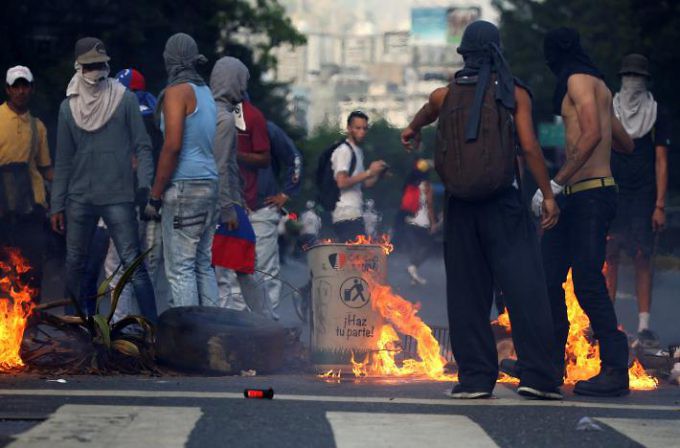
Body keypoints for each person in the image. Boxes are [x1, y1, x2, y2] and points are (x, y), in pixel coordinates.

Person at [401, 21, 562, 400]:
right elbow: (530, 148)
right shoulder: (513, 93)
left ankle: (474, 378)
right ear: (497, 52)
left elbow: (426, 112)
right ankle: (538, 377)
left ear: (464, 54)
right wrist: (547, 195)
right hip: (502, 203)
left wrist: (411, 129)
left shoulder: (446, 95)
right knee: (525, 288)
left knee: (467, 292)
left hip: (460, 206)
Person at [535, 28, 635, 397]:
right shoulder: (600, 87)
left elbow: (592, 133)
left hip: (590, 196)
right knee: (547, 276)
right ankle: (549, 364)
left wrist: (556, 183)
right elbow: (625, 142)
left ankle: (615, 371)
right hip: (578, 197)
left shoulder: (577, 80)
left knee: (588, 281)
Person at [51, 37, 157, 322]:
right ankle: (72, 332)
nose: (96, 70)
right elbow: (63, 161)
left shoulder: (124, 99)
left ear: (107, 64)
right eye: (90, 65)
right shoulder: (67, 108)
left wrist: (145, 186)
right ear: (79, 67)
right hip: (79, 198)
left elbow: (142, 146)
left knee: (133, 265)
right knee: (75, 265)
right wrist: (56, 206)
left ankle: (155, 334)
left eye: (100, 64)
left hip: (118, 197)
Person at [144, 33, 219, 308]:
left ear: (172, 58)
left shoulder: (177, 93)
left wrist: (155, 194)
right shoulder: (206, 92)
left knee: (180, 269)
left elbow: (172, 146)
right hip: (210, 185)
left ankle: (190, 341)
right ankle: (213, 336)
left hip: (185, 187)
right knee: (203, 265)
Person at [605, 54, 671, 349]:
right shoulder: (609, 108)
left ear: (646, 81)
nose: (633, 83)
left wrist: (659, 204)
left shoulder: (656, 113)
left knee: (643, 256)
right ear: (621, 79)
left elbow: (661, 160)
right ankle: (605, 321)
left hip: (643, 194)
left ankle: (644, 325)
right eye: (628, 76)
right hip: (613, 191)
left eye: (638, 77)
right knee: (610, 255)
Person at [209, 56, 271, 317]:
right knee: (244, 262)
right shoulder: (224, 119)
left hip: (220, 200)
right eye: (241, 82)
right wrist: (229, 207)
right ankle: (265, 319)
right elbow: (222, 166)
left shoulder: (200, 110)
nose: (243, 89)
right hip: (224, 204)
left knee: (207, 266)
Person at [0, 66, 53, 294]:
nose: (20, 91)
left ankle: (29, 323)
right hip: (2, 206)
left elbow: (46, 169)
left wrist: (65, 194)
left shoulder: (37, 126)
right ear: (7, 89)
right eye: (16, 86)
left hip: (31, 207)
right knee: (4, 267)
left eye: (25, 86)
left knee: (32, 268)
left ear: (31, 89)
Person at [332, 111, 387, 242]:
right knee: (355, 257)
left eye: (364, 128)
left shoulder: (358, 151)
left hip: (355, 213)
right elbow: (342, 182)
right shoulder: (344, 150)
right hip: (345, 214)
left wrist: (377, 174)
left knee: (357, 258)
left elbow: (363, 184)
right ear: (349, 128)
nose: (362, 132)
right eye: (358, 128)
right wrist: (369, 172)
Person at [400, 159, 437, 286]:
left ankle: (413, 276)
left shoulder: (410, 184)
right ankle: (413, 267)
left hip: (409, 220)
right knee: (429, 247)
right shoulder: (427, 186)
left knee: (415, 247)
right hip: (422, 222)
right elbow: (430, 206)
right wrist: (433, 223)